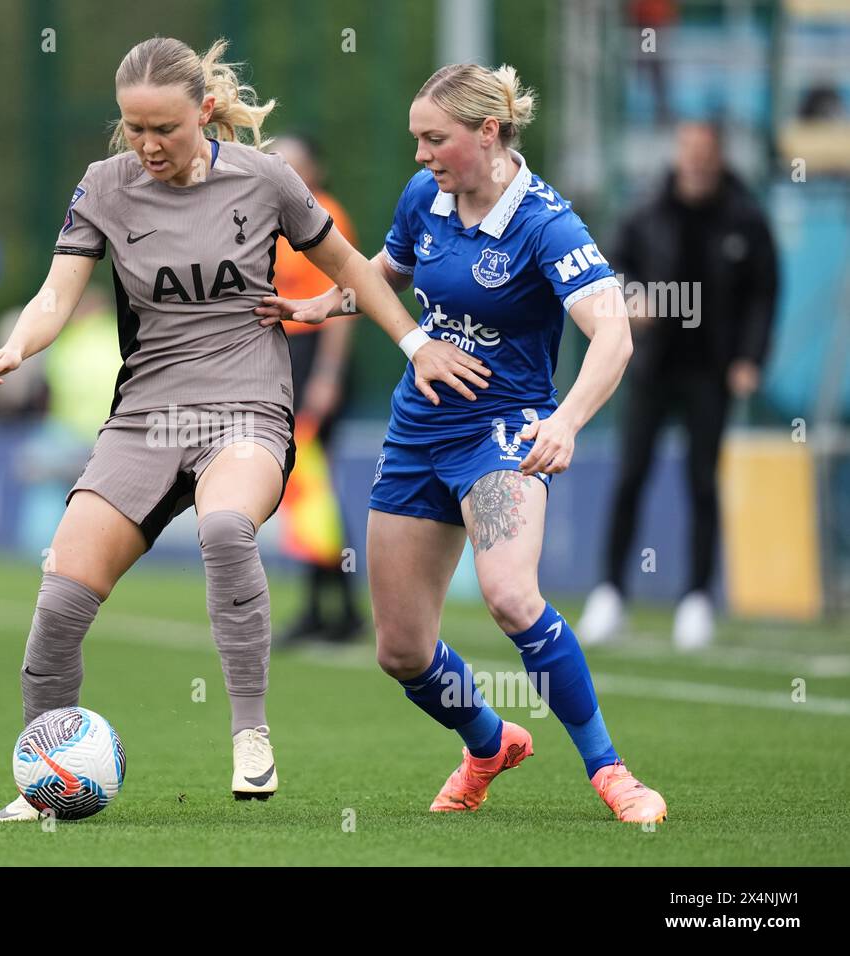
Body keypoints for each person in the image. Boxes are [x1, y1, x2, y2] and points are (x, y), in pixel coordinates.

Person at [0, 37, 487, 821]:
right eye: (133, 128)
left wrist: (415, 346)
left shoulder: (266, 179)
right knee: (59, 605)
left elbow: (352, 269)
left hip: (247, 404)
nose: (146, 146)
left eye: (164, 129)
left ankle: (250, 733)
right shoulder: (103, 187)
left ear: (204, 111)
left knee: (224, 531)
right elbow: (53, 296)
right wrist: (14, 349)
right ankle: (42, 775)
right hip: (144, 416)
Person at [256, 64, 666, 823]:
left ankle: (610, 770)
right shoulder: (426, 198)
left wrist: (567, 420)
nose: (420, 155)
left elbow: (612, 333)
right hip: (417, 432)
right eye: (416, 138)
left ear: (488, 133)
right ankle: (487, 741)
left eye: (434, 138)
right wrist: (320, 305)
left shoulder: (548, 224)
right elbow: (383, 274)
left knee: (512, 595)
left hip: (503, 435)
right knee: (402, 652)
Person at [577, 121, 779, 650]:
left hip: (710, 371)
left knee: (702, 483)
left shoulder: (745, 218)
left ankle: (695, 600)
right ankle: (610, 593)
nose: (695, 161)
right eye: (687, 151)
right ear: (677, 154)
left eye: (704, 152)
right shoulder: (646, 212)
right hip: (649, 368)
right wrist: (629, 299)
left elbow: (763, 293)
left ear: (718, 156)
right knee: (631, 477)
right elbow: (606, 270)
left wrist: (749, 358)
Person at [268, 134, 364, 645]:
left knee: (311, 486)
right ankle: (331, 609)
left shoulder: (326, 216)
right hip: (285, 360)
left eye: (292, 163)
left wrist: (327, 377)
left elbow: (345, 299)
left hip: (315, 360)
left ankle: (337, 609)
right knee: (304, 488)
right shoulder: (273, 221)